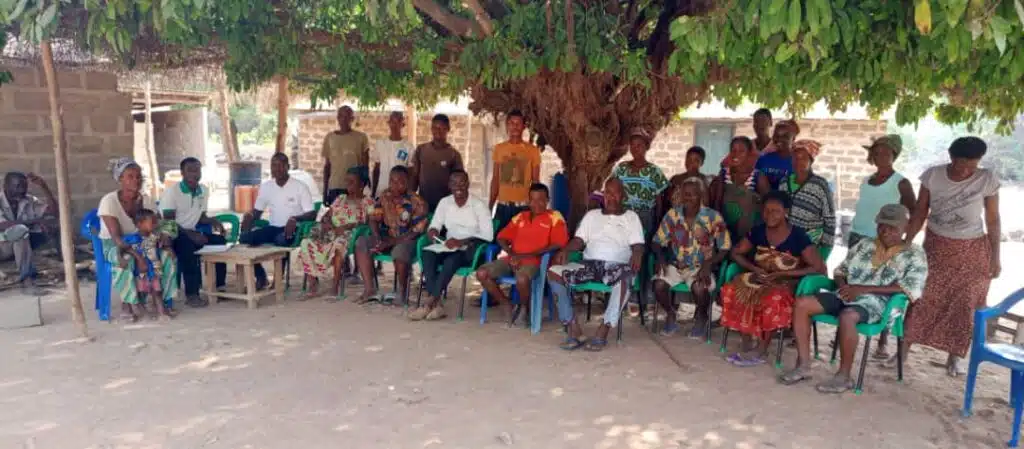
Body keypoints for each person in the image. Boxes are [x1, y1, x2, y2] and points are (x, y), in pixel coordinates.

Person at [780, 204, 927, 393]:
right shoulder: (865, 244)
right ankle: (803, 365)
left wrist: (862, 289)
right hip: (846, 294)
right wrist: (842, 286)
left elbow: (911, 288)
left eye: (892, 228)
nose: (885, 231)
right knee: (802, 304)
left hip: (879, 303)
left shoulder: (915, 254)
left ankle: (844, 376)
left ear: (905, 227)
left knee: (848, 316)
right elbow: (840, 270)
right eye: (882, 226)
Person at [898, 136, 1001, 377]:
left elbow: (993, 219)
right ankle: (902, 351)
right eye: (961, 163)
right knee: (921, 298)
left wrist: (995, 257)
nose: (965, 170)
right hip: (936, 247)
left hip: (972, 251)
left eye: (972, 165)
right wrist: (907, 242)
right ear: (951, 157)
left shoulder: (987, 179)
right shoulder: (933, 176)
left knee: (964, 305)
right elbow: (920, 212)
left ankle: (954, 358)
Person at [719, 190, 826, 367]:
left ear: (786, 212)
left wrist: (783, 274)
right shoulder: (758, 231)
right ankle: (747, 340)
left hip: (786, 282)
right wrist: (754, 268)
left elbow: (818, 267)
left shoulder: (798, 236)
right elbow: (736, 252)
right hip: (760, 277)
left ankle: (762, 348)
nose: (770, 215)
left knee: (771, 299)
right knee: (732, 289)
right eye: (766, 210)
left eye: (776, 211)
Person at [549, 177, 644, 351]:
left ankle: (604, 329)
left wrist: (637, 253)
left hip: (616, 267)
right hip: (589, 265)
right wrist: (566, 250)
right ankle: (572, 326)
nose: (611, 197)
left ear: (623, 196)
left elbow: (638, 244)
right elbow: (579, 240)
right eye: (608, 193)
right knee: (554, 272)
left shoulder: (631, 218)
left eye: (615, 193)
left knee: (627, 277)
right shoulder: (592, 216)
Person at [98, 158, 179, 321]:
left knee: (167, 257)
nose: (136, 180)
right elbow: (117, 239)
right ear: (120, 179)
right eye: (130, 176)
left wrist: (165, 240)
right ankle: (128, 303)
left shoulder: (146, 200)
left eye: (138, 176)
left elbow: (159, 224)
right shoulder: (109, 201)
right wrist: (139, 257)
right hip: (116, 246)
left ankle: (163, 301)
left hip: (143, 243)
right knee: (126, 260)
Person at [476, 183, 568, 325]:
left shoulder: (554, 217)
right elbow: (501, 237)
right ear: (528, 201)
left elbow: (558, 243)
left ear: (547, 200)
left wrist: (526, 256)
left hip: (535, 262)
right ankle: (506, 303)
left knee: (522, 279)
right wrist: (512, 254)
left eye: (541, 200)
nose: (536, 204)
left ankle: (525, 308)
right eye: (533, 200)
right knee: (482, 273)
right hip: (512, 259)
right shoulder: (520, 216)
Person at [651, 179, 731, 338]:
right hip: (676, 265)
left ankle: (701, 316)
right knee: (658, 285)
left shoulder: (713, 217)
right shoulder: (673, 215)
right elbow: (656, 241)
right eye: (685, 194)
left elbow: (725, 247)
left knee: (700, 288)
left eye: (692, 194)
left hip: (700, 266)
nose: (688, 198)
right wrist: (660, 260)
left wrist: (708, 264)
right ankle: (670, 314)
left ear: (700, 195)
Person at [412, 170, 494, 321]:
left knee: (452, 260)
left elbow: (488, 235)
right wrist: (433, 231)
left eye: (462, 183)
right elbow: (435, 224)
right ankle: (437, 305)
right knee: (428, 254)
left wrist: (461, 241)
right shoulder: (445, 203)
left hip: (470, 248)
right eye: (454, 183)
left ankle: (429, 302)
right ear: (449, 185)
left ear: (468, 184)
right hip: (448, 246)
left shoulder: (478, 206)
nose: (458, 187)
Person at [239, 153, 316, 289]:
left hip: (294, 229)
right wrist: (248, 217)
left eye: (281, 165)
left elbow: (311, 214)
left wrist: (295, 218)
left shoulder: (300, 186)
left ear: (288, 167)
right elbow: (257, 212)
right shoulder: (266, 187)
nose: (277, 169)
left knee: (281, 240)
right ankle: (261, 277)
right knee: (245, 239)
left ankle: (278, 279)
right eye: (274, 165)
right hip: (273, 227)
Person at [296, 167, 375, 300]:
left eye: (352, 182)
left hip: (349, 234)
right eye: (347, 181)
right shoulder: (340, 198)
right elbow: (327, 215)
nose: (348, 185)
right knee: (306, 243)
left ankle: (335, 286)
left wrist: (348, 226)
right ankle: (313, 285)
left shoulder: (367, 202)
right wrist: (327, 223)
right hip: (330, 232)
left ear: (361, 184)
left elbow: (367, 223)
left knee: (339, 245)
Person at [354, 166, 427, 304]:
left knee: (399, 252)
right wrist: (377, 237)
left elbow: (416, 231)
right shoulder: (385, 196)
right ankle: (369, 289)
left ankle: (402, 293)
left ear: (408, 182)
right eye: (392, 181)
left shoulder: (417, 202)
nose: (395, 185)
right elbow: (373, 218)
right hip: (386, 236)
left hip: (408, 240)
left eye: (400, 181)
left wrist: (392, 242)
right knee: (362, 242)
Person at [161, 157, 227, 308]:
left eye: (197, 170)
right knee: (187, 248)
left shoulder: (203, 190)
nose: (194, 174)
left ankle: (219, 287)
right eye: (190, 170)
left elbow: (200, 216)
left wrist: (213, 221)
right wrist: (190, 235)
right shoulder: (172, 192)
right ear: (182, 173)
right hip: (172, 235)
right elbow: (168, 222)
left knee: (220, 242)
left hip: (192, 233)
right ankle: (192, 294)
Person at [848, 135, 916, 248]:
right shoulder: (866, 181)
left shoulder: (901, 183)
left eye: (886, 153)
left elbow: (912, 214)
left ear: (893, 156)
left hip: (881, 238)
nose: (880, 157)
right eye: (876, 153)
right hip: (856, 235)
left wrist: (904, 238)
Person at [0, 171, 57, 293]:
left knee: (52, 226)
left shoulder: (28, 200)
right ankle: (27, 280)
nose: (21, 190)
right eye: (17, 186)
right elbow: (2, 225)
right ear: (5, 186)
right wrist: (36, 221)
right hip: (1, 247)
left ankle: (66, 262)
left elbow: (54, 212)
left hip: (16, 245)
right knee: (21, 231)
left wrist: (44, 187)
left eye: (24, 186)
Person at [778, 140, 836, 250]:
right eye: (795, 158)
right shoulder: (784, 182)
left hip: (812, 243)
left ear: (811, 161)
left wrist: (826, 248)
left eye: (803, 158)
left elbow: (830, 218)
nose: (798, 162)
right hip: (787, 241)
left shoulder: (820, 185)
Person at [118, 209, 175, 320]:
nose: (155, 224)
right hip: (140, 274)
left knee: (157, 292)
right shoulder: (133, 238)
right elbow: (121, 248)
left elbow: (165, 244)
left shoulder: (155, 237)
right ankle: (140, 311)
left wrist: (168, 247)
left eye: (155, 221)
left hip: (154, 271)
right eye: (152, 222)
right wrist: (121, 259)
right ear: (139, 224)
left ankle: (161, 312)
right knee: (139, 293)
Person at [490, 110, 542, 232]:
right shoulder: (499, 149)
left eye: (518, 123)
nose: (515, 126)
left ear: (523, 126)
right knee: (498, 239)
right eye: (512, 123)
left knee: (522, 240)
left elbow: (535, 182)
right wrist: (490, 205)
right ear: (507, 125)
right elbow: (495, 179)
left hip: (523, 207)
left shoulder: (532, 150)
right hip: (503, 207)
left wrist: (535, 207)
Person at [613, 127, 669, 234]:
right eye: (632, 145)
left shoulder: (654, 171)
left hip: (645, 217)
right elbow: (613, 189)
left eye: (639, 145)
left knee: (641, 242)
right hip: (623, 214)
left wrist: (657, 222)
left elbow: (659, 200)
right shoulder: (621, 168)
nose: (635, 149)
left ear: (646, 147)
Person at [710, 136, 762, 243]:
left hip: (749, 231)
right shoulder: (724, 173)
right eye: (733, 150)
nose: (736, 154)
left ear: (749, 154)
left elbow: (766, 202)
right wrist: (718, 224)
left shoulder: (757, 176)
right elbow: (718, 201)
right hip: (727, 227)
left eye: (741, 151)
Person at [410, 114, 464, 211]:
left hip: (445, 205)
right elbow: (414, 175)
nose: (438, 131)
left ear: (448, 129)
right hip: (423, 203)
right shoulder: (421, 150)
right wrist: (410, 196)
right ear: (431, 128)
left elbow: (458, 182)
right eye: (435, 127)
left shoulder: (454, 154)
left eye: (442, 128)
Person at [322, 106, 370, 205]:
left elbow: (365, 166)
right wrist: (325, 191)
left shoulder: (361, 137)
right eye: (341, 116)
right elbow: (327, 166)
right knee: (335, 214)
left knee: (355, 213)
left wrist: (363, 186)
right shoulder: (330, 138)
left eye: (347, 116)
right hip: (335, 186)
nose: (343, 119)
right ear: (337, 118)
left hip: (354, 187)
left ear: (352, 119)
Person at [371, 111, 413, 198]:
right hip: (381, 190)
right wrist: (373, 191)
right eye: (392, 122)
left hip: (400, 194)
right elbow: (376, 169)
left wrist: (409, 191)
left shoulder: (408, 147)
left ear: (402, 124)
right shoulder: (380, 144)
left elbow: (411, 172)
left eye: (398, 122)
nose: (394, 125)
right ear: (389, 123)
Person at [755, 120, 799, 192]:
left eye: (785, 136)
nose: (779, 139)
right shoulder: (763, 159)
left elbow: (797, 189)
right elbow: (753, 184)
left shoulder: (798, 162)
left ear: (793, 139)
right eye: (776, 135)